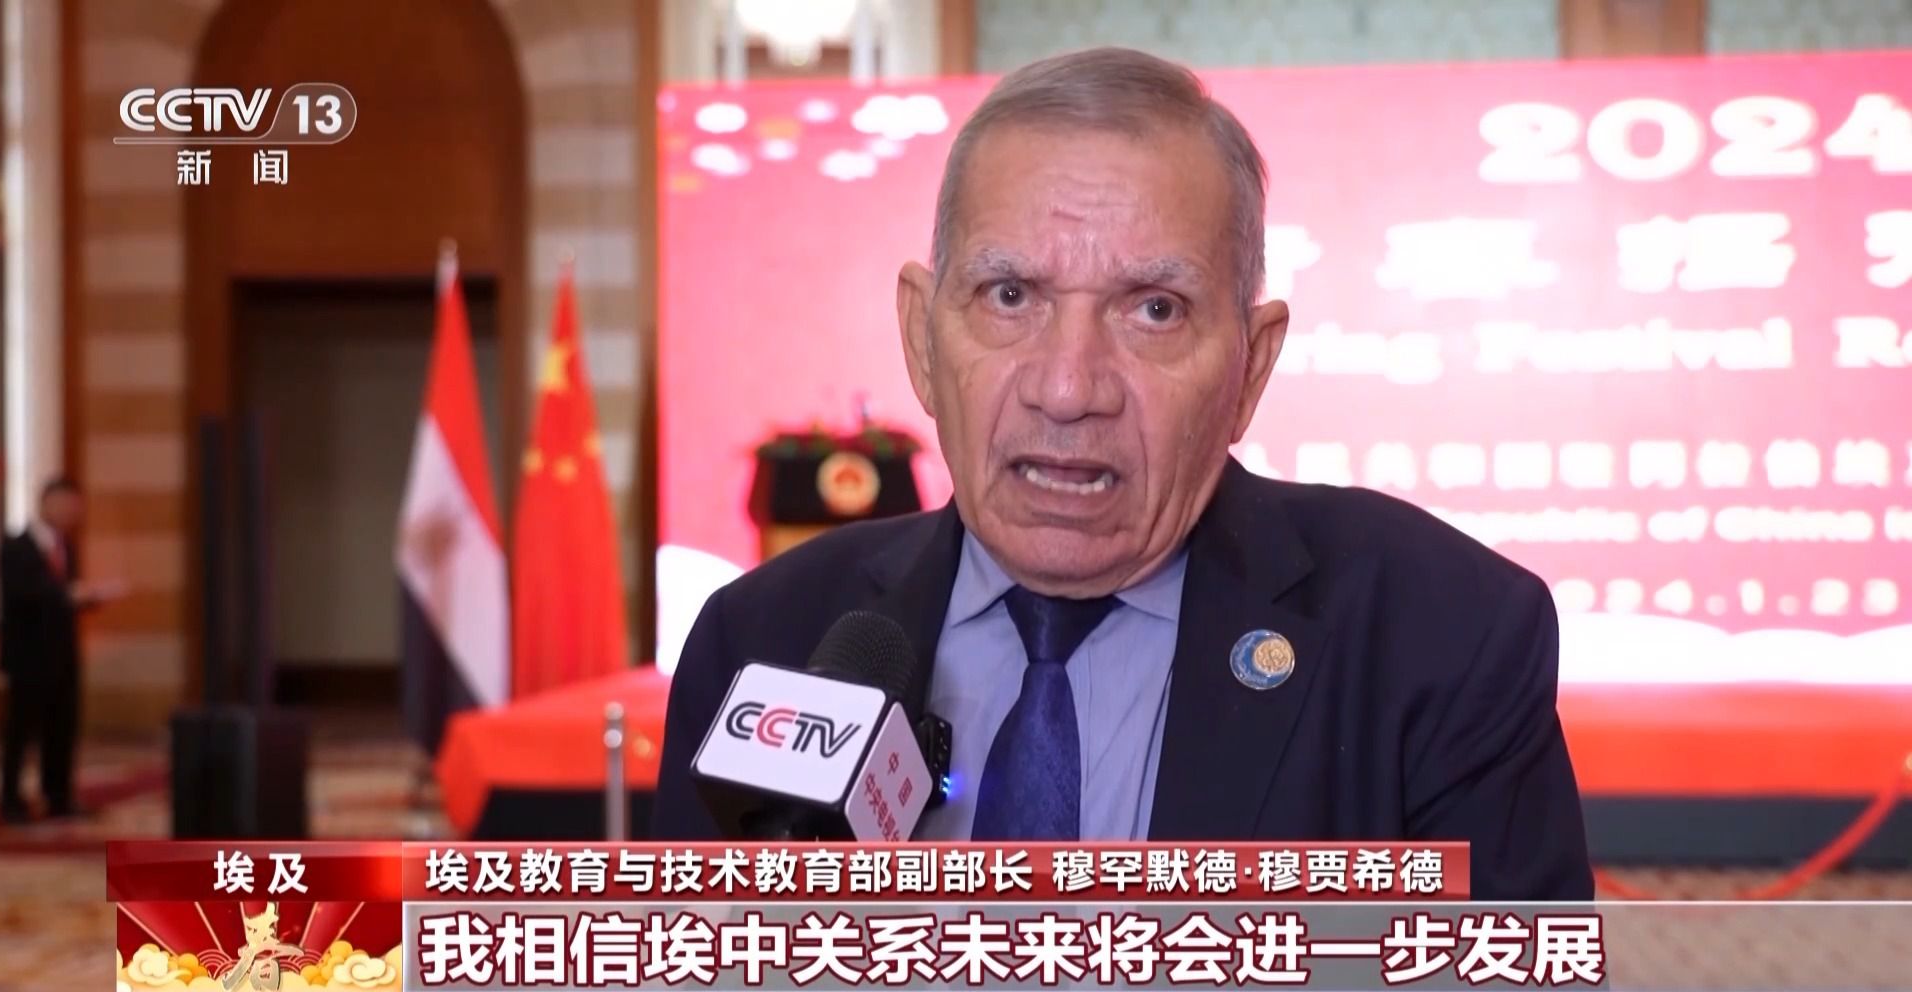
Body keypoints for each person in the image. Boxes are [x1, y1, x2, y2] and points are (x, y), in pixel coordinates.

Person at [653, 47, 1593, 899]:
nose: (1068, 390)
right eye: (1010, 295)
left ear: (1250, 369)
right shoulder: (764, 641)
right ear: (922, 340)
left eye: (1154, 310)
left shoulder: (1439, 636)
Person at [0, 477, 115, 823]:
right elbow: (22, 593)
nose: (70, 513)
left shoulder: (66, 547)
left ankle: (58, 796)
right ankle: (11, 800)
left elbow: (65, 599)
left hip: (63, 655)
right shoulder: (16, 546)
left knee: (62, 728)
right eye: (65, 504)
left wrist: (89, 598)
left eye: (75, 507)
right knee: (20, 732)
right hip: (27, 656)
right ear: (47, 503)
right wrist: (67, 594)